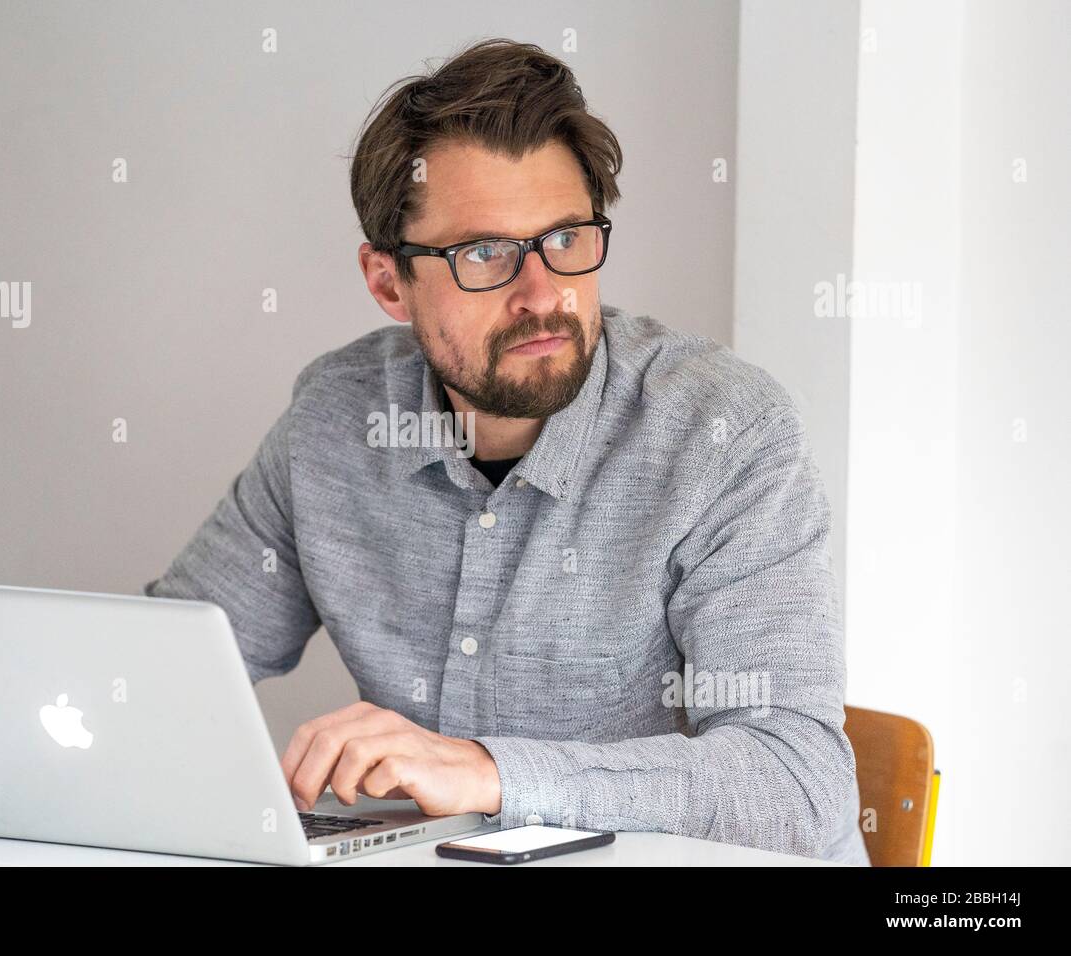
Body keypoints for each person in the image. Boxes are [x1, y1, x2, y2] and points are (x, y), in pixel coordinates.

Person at [145, 37, 870, 865]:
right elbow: (166, 667)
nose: (543, 296)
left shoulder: (723, 432)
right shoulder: (336, 420)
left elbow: (797, 784)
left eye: (565, 238)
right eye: (484, 253)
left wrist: (491, 772)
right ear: (388, 282)